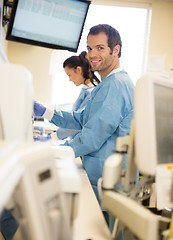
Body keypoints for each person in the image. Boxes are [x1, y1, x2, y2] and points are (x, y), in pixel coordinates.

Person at [34, 24, 134, 207]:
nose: (92, 54)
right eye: (89, 48)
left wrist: (53, 151)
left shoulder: (116, 85)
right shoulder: (108, 83)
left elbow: (91, 137)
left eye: (100, 48)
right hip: (101, 177)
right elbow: (82, 120)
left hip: (108, 182)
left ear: (116, 50)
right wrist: (46, 112)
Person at [34, 51, 100, 141]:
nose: (69, 79)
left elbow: (77, 123)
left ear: (79, 70)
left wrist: (53, 137)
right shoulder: (86, 90)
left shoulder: (91, 93)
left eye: (69, 75)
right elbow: (74, 116)